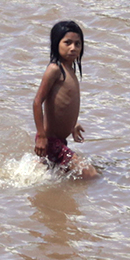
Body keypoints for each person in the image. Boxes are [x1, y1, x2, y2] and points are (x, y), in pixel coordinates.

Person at [31, 19, 100, 179]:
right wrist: (41, 137)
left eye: (77, 44)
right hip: (50, 141)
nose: (73, 48)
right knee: (91, 175)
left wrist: (72, 125)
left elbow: (61, 104)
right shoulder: (55, 69)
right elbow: (37, 102)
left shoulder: (70, 70)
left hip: (59, 140)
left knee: (51, 177)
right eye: (67, 43)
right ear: (56, 44)